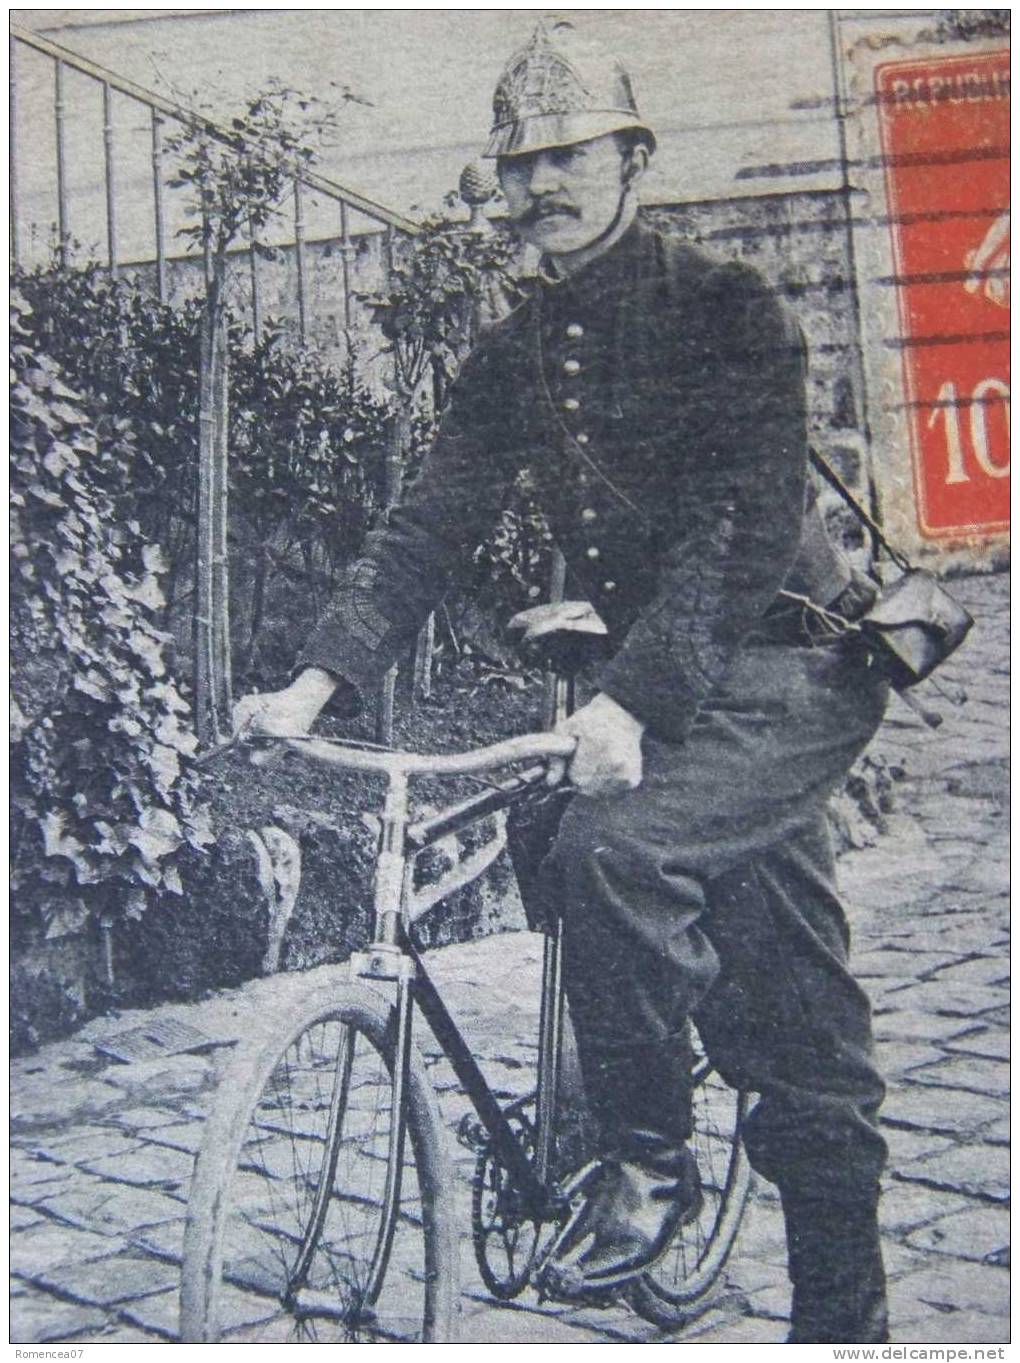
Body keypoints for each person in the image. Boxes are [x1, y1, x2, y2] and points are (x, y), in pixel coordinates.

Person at [235, 19, 891, 1343]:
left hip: (785, 662)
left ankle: (653, 1164)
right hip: (669, 671)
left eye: (571, 154)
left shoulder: (728, 307)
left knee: (615, 852)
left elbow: (735, 525)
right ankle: (745, 1192)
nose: (542, 184)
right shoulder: (521, 347)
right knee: (765, 973)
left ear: (635, 156)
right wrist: (315, 681)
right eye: (519, 163)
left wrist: (630, 699)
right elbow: (430, 516)